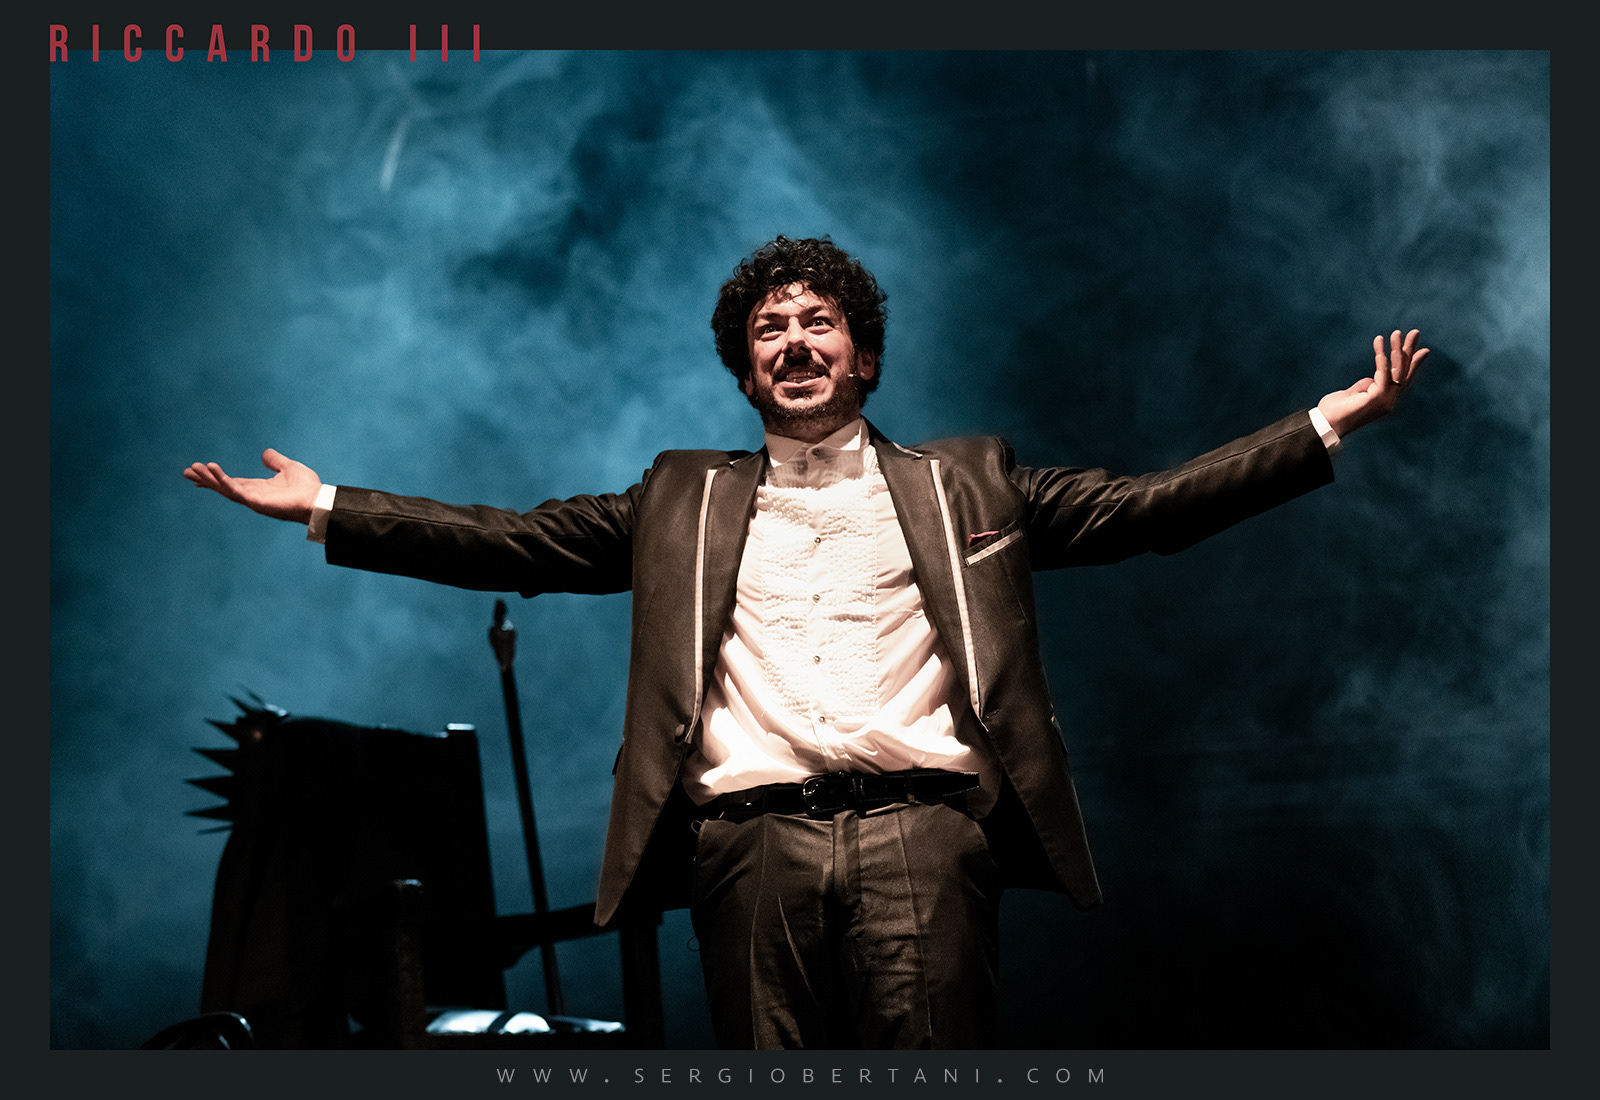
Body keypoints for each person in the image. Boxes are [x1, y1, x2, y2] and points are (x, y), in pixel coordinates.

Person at [184, 235, 1429, 1050]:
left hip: (922, 836)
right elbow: (510, 539)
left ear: (861, 353)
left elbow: (1150, 508)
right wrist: (330, 504)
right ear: (745, 373)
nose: (792, 339)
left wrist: (1322, 423)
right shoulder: (680, 496)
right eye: (768, 328)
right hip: (749, 845)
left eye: (817, 320)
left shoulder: (966, 480)